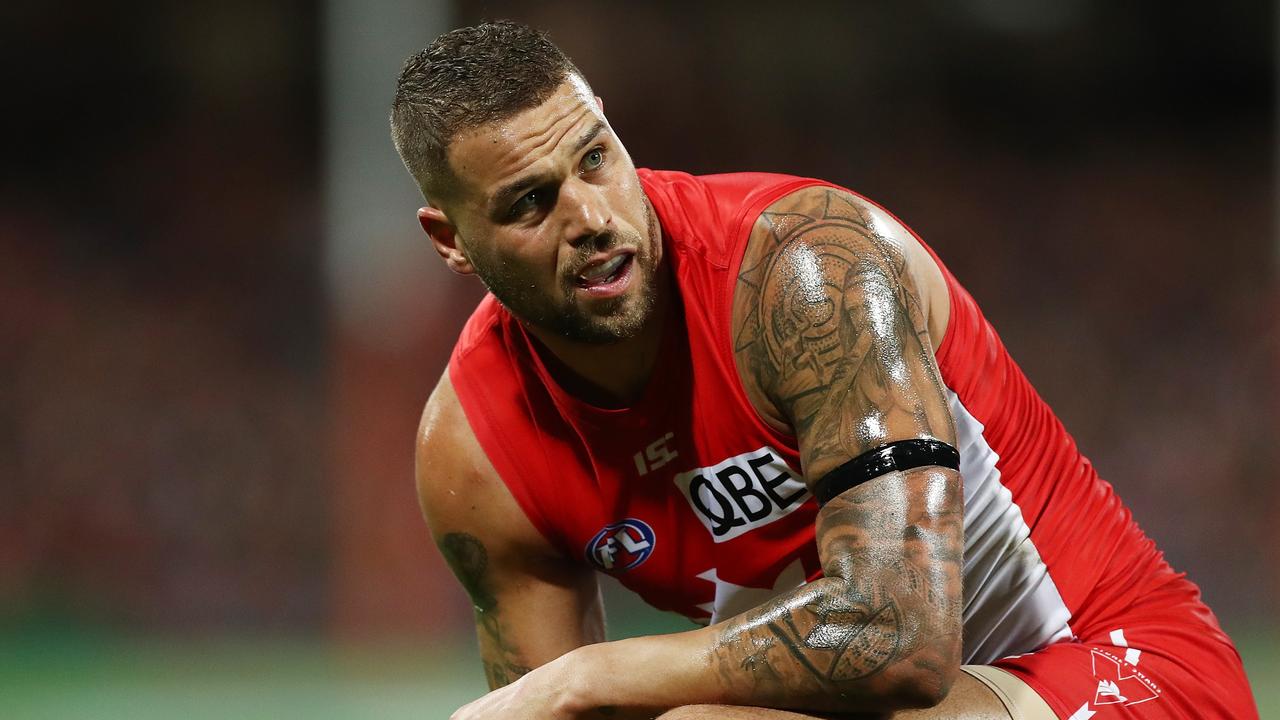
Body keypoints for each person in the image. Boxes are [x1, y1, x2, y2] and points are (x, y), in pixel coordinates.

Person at [390, 20, 1258, 720]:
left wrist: (584, 677)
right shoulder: (476, 450)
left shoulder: (804, 271)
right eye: (530, 203)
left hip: (1121, 671)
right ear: (450, 240)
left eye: (595, 159)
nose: (589, 216)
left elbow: (897, 637)